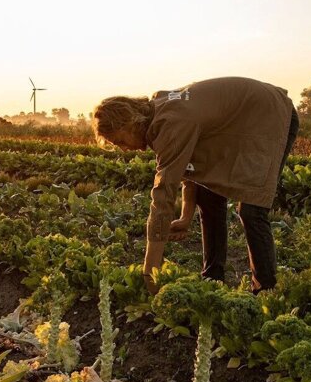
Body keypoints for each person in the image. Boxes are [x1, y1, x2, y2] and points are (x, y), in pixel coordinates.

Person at [91, 76, 299, 295]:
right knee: (208, 196)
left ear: (131, 122)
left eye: (121, 141)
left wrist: (150, 273)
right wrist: (185, 216)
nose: (124, 149)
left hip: (270, 115)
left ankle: (266, 292)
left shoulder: (171, 121)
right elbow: (188, 167)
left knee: (251, 210)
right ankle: (212, 279)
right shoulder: (159, 112)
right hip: (242, 120)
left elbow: (163, 195)